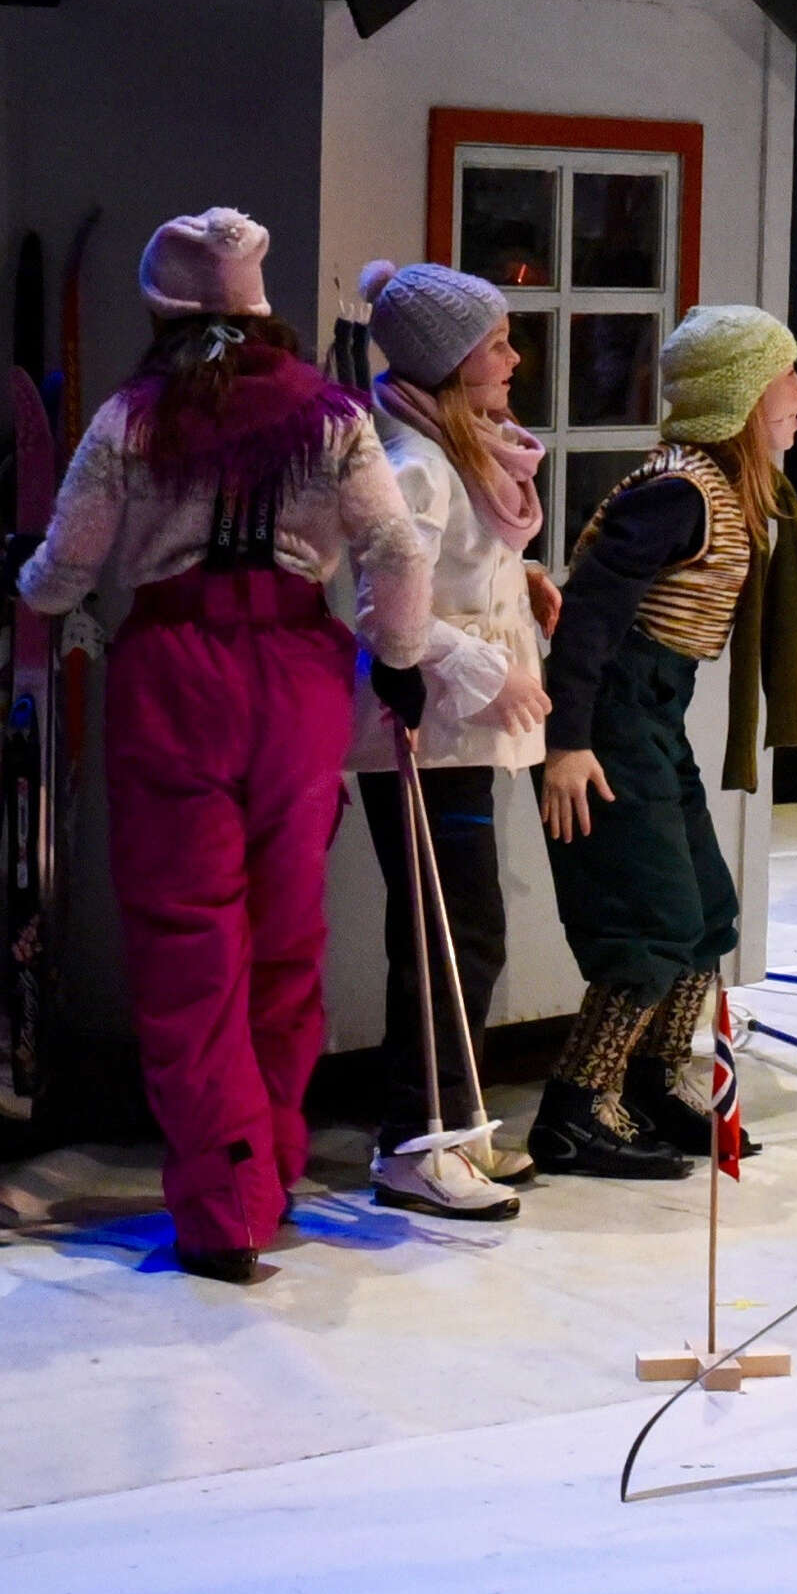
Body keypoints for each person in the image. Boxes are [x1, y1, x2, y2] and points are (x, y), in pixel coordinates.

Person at [14, 208, 432, 1282]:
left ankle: (222, 1201)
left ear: (162, 308)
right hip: (297, 680)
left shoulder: (130, 417)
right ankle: (272, 1169)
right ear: (259, 303)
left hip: (173, 679)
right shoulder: (331, 413)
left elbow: (65, 569)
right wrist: (398, 656)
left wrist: (34, 584)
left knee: (188, 942)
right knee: (287, 937)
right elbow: (394, 549)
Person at [535, 305, 797, 1177]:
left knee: (707, 913)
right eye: (786, 377)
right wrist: (567, 742)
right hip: (613, 717)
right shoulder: (679, 493)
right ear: (744, 395)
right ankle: (575, 1110)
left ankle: (652, 1081)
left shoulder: (724, 491)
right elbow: (589, 615)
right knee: (649, 919)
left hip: (655, 713)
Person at [344, 260, 559, 1218]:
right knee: (444, 935)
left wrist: (524, 583)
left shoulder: (455, 449)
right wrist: (488, 668)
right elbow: (387, 609)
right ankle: (413, 1142)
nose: (513, 359)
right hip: (425, 734)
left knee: (468, 930)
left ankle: (457, 1123)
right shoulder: (416, 464)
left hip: (461, 741)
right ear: (446, 361)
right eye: (495, 345)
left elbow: (457, 571)